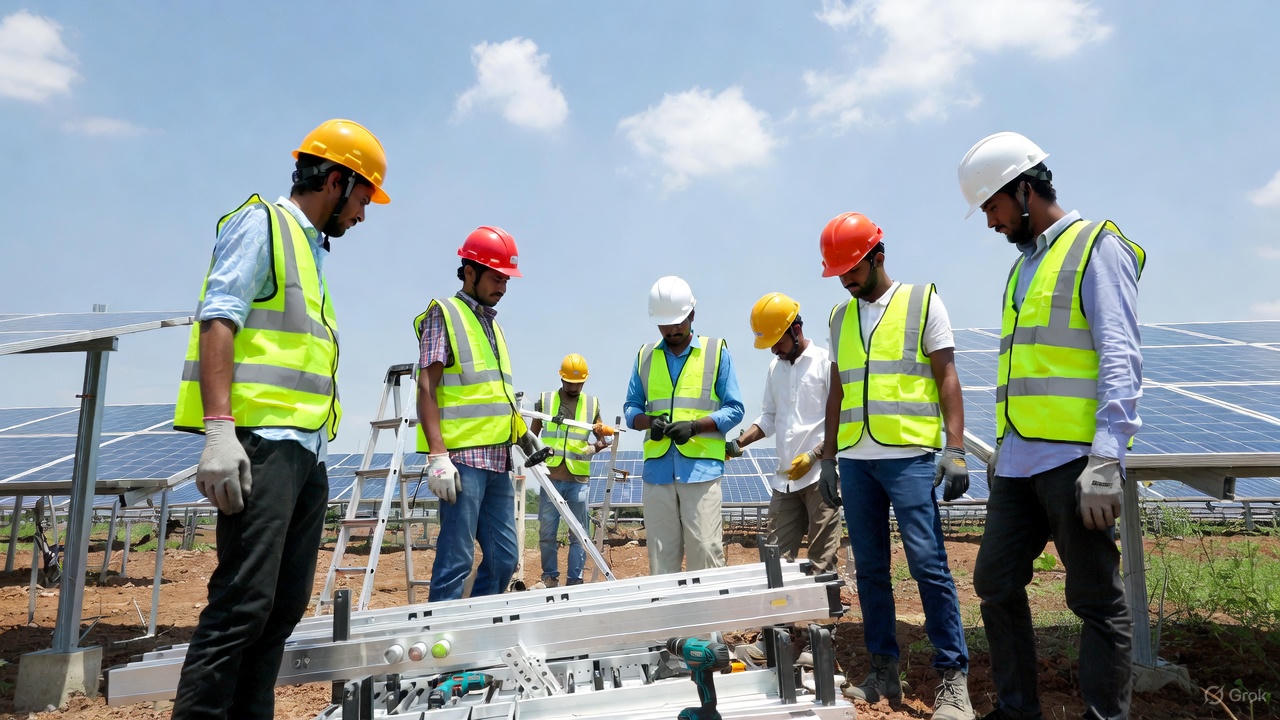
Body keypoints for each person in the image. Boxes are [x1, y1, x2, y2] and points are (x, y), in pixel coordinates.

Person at [171, 118, 390, 720]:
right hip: (261, 446)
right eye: (364, 197)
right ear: (337, 181)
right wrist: (219, 430)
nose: (363, 214)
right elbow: (219, 318)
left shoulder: (311, 252)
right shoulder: (262, 224)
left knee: (280, 611)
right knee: (241, 607)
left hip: (305, 453)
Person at [958, 131, 1144, 720]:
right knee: (994, 581)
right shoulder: (1022, 269)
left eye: (993, 207)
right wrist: (1002, 451)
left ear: (1024, 190)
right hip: (1018, 464)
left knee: (1095, 598)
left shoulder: (1096, 247)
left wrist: (1107, 456)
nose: (991, 222)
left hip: (1074, 461)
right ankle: (1018, 711)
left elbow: (1120, 356)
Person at [816, 212, 975, 719]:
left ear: (878, 257)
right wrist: (827, 458)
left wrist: (955, 447)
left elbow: (946, 376)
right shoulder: (839, 317)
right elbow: (838, 390)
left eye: (852, 270)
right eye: (838, 273)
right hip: (856, 461)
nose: (845, 281)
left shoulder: (923, 302)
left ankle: (953, 678)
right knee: (869, 571)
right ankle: (883, 670)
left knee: (928, 565)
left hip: (908, 457)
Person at [414, 225, 546, 601]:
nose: (502, 287)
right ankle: (442, 634)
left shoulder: (493, 327)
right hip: (461, 461)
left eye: (506, 279)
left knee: (505, 559)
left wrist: (522, 434)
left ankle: (474, 622)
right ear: (469, 272)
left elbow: (494, 394)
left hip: (498, 460)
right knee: (455, 560)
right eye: (496, 277)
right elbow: (427, 386)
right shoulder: (445, 314)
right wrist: (437, 455)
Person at [624, 275, 744, 574]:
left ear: (692, 314)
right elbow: (631, 408)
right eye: (665, 325)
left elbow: (735, 409)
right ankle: (667, 607)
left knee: (705, 553)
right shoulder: (645, 356)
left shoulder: (716, 352)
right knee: (661, 561)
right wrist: (649, 422)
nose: (673, 330)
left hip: (701, 471)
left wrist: (695, 426)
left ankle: (709, 608)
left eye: (678, 322)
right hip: (658, 473)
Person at [730, 292, 842, 573]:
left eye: (778, 342)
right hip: (785, 481)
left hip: (820, 477)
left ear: (796, 330)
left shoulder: (825, 363)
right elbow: (769, 417)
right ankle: (782, 605)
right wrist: (739, 442)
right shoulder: (775, 369)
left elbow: (841, 419)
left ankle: (823, 603)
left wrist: (814, 455)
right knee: (775, 561)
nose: (774, 350)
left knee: (822, 561)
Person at [529, 353, 608, 587]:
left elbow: (602, 439)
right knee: (547, 533)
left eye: (578, 383)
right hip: (550, 479)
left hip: (578, 480)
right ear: (561, 378)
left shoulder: (591, 404)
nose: (574, 387)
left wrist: (592, 448)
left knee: (579, 534)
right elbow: (531, 436)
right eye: (570, 382)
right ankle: (549, 577)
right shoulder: (545, 401)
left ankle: (575, 580)